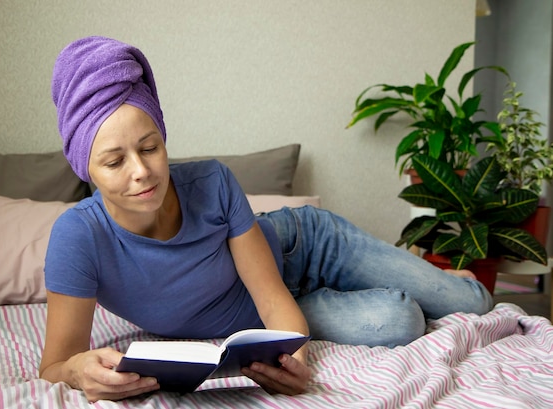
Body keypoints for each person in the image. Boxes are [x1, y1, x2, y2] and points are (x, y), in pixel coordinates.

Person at [39, 36, 494, 402]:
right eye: (115, 162)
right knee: (399, 321)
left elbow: (272, 296)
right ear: (87, 169)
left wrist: (296, 360)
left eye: (150, 147)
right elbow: (56, 365)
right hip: (269, 312)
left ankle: (447, 277)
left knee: (472, 302)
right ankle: (410, 282)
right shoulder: (78, 237)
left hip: (303, 250)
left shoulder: (213, 182)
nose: (141, 172)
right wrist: (79, 372)